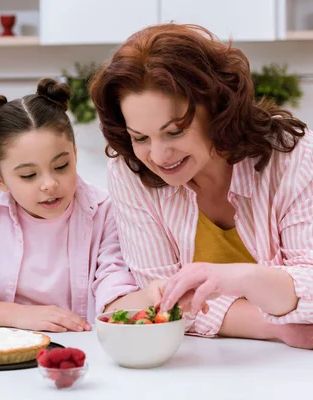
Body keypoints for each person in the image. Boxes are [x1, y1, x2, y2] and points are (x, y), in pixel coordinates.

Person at [89, 23, 313, 348]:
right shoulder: (130, 172)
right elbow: (169, 301)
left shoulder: (290, 156)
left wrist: (240, 278)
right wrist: (277, 325)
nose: (159, 155)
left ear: (218, 108)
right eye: (140, 137)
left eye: (175, 131)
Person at [0, 78, 137, 332]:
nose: (49, 184)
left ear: (74, 153)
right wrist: (16, 315)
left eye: (61, 166)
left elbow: (114, 282)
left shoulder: (104, 211)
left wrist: (137, 303)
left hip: (74, 354)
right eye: (29, 175)